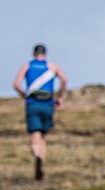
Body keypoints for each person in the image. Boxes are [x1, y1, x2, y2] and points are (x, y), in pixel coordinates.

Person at [12, 43, 68, 180]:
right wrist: (59, 97)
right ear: (45, 54)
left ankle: (37, 155)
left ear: (34, 54)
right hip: (48, 103)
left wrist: (24, 95)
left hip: (33, 103)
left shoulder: (27, 66)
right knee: (43, 136)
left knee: (34, 136)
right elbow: (64, 80)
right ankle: (41, 159)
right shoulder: (52, 67)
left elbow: (16, 84)